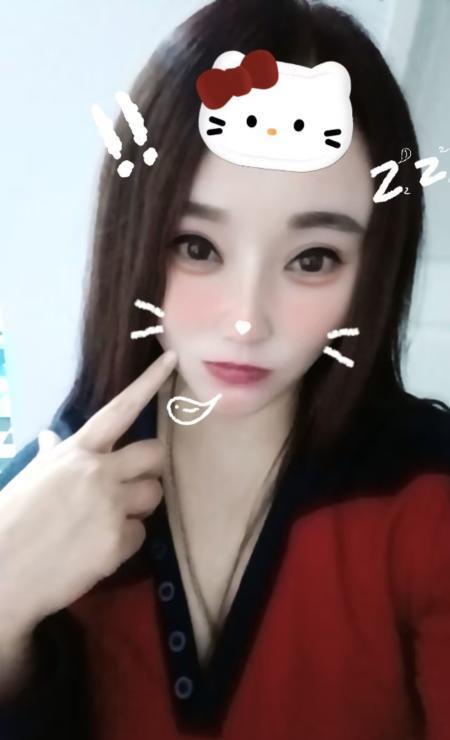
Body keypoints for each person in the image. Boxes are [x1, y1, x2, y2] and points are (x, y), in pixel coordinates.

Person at [1, 0, 450, 738]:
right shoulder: (42, 503)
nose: (247, 321)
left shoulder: (425, 499)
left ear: (374, 267)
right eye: (197, 247)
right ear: (134, 239)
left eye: (313, 259)